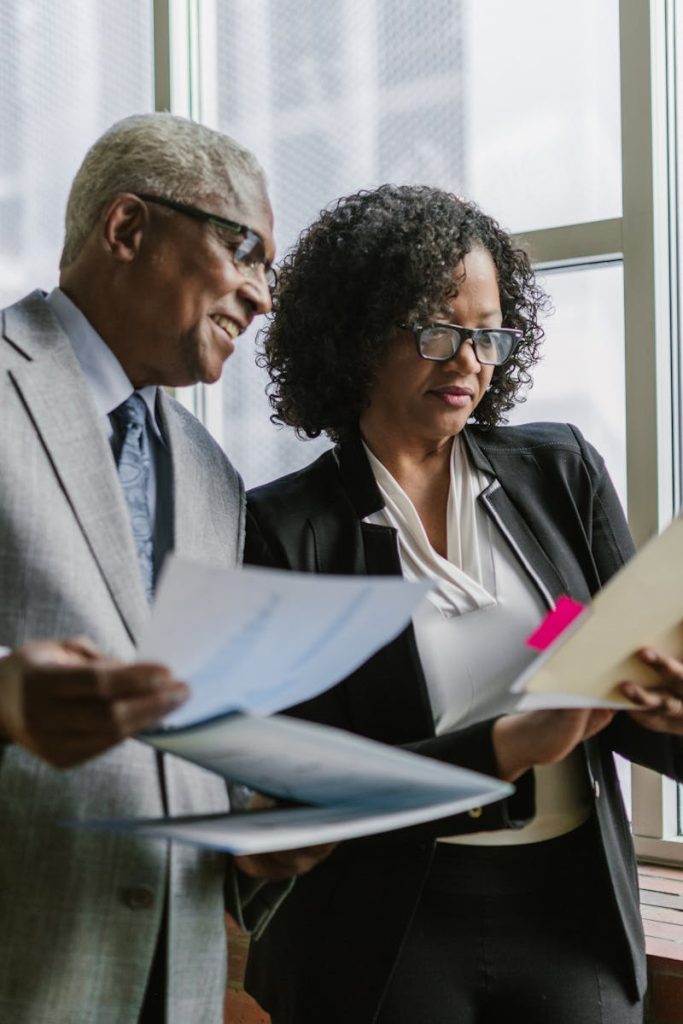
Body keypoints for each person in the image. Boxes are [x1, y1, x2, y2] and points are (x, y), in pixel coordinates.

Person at [244, 184, 683, 1024]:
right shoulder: (282, 530)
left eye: (487, 335)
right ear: (357, 335)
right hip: (381, 927)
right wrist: (508, 745)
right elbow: (317, 788)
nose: (468, 362)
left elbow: (613, 692)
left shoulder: (557, 472)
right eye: (438, 330)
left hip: (570, 909)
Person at [0, 112, 330, 1024]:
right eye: (245, 251)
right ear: (129, 228)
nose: (263, 297)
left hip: (172, 984)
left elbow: (192, 732)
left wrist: (260, 830)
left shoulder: (214, 479)